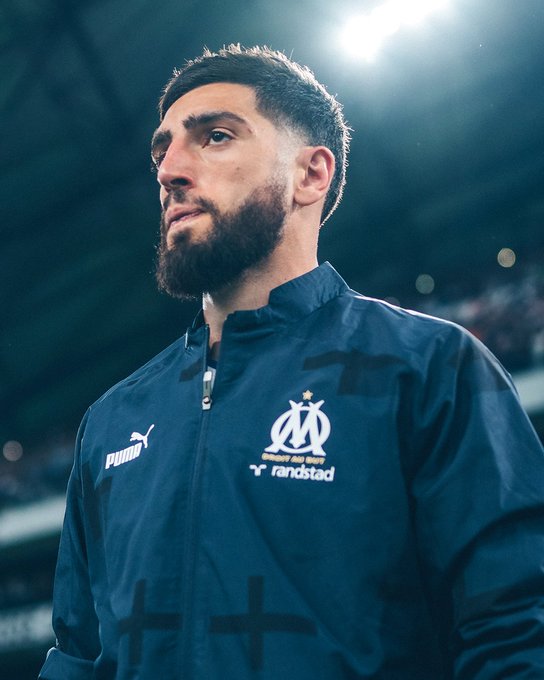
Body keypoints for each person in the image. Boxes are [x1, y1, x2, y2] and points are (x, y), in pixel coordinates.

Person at [39, 45, 544, 679]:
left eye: (215, 136)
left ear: (310, 175)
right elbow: (78, 657)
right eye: (161, 152)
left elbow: (516, 628)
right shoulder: (112, 420)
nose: (169, 171)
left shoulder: (427, 367)